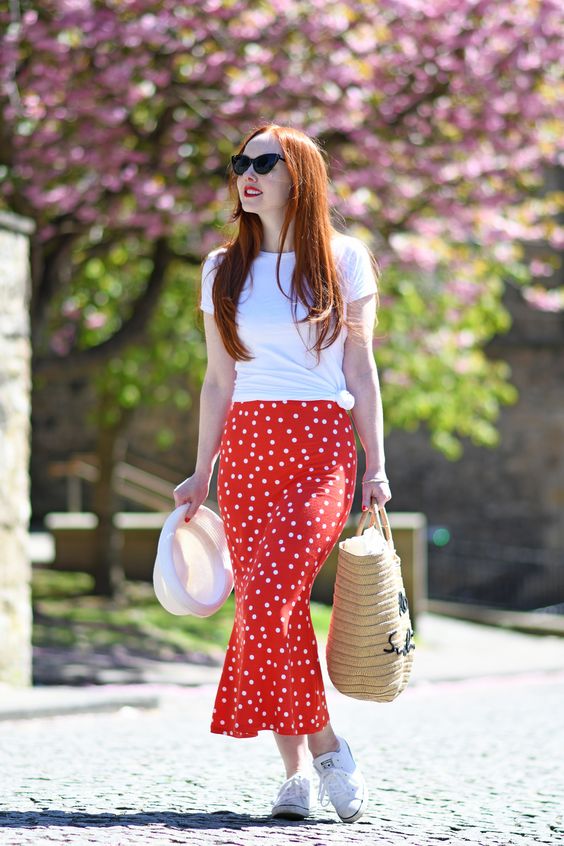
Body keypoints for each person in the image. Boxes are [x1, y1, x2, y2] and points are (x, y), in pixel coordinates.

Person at [173, 123, 391, 823]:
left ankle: (325, 750)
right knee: (273, 608)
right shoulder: (220, 268)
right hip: (247, 448)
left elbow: (361, 368)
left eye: (265, 161)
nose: (249, 173)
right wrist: (200, 470)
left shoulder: (343, 258)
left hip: (321, 446)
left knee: (268, 598)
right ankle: (296, 774)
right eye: (241, 161)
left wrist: (376, 469)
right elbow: (216, 379)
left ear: (301, 174)